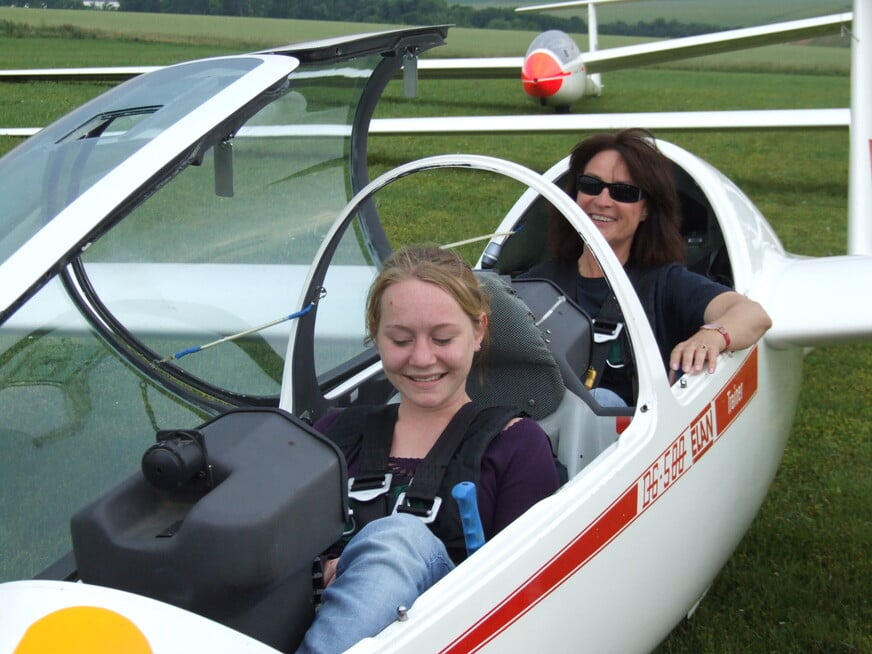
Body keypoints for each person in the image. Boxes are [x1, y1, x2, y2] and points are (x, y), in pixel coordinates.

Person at [296, 245, 560, 654]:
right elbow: (275, 549)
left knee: (401, 540)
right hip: (299, 622)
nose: (422, 358)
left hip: (450, 636)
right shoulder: (336, 432)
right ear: (376, 335)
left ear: (477, 332)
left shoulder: (516, 446)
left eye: (442, 338)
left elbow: (526, 597)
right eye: (400, 339)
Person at [523, 128, 772, 406]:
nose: (603, 201)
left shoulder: (664, 284)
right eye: (591, 185)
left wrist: (712, 335)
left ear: (646, 210)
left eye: (624, 192)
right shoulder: (538, 283)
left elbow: (752, 315)